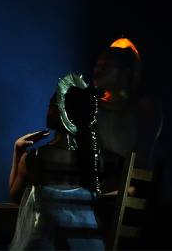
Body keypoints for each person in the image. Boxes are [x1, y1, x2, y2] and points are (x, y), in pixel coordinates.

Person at [9, 73, 105, 250]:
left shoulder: (36, 158)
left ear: (58, 110)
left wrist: (18, 150)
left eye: (51, 105)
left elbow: (16, 196)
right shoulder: (93, 159)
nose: (48, 110)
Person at [91, 37, 163, 185]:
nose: (98, 70)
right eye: (98, 65)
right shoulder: (92, 108)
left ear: (125, 72)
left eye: (106, 65)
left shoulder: (144, 109)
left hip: (131, 190)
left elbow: (142, 157)